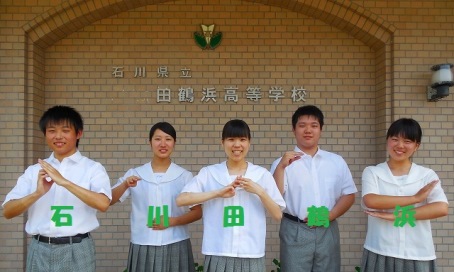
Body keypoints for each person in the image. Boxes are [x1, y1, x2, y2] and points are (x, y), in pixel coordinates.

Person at [2, 105, 112, 272]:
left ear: (79, 133)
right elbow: (8, 211)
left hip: (78, 247)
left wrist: (64, 182)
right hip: (40, 247)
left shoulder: (93, 168)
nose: (58, 136)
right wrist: (37, 193)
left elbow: (103, 203)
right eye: (52, 130)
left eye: (65, 130)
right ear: (45, 134)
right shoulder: (34, 171)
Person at [177, 119, 285, 272]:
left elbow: (277, 214)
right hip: (218, 251)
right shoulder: (210, 173)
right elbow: (182, 199)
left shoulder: (261, 174)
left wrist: (259, 191)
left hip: (251, 253)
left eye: (242, 139)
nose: (237, 145)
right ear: (222, 142)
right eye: (231, 139)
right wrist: (217, 193)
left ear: (249, 142)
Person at [270, 105, 357, 272]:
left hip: (327, 227)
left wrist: (329, 215)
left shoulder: (336, 161)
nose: (308, 130)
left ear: (321, 129)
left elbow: (349, 194)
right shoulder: (281, 163)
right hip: (295, 229)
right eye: (302, 125)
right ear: (293, 129)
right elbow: (274, 198)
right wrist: (281, 167)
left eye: (314, 125)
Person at [110, 122, 202, 272]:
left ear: (174, 143)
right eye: (158, 139)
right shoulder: (136, 173)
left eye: (168, 139)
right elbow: (109, 200)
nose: (163, 144)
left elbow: (197, 212)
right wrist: (125, 185)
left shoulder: (184, 176)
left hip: (176, 242)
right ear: (150, 142)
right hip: (143, 242)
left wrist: (173, 221)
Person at [361, 118, 448, 272]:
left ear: (416, 146)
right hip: (381, 248)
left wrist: (398, 216)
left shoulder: (426, 175)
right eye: (394, 139)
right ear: (387, 141)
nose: (400, 145)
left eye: (407, 141)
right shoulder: (373, 172)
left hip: (417, 251)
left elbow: (441, 208)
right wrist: (415, 199)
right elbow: (371, 200)